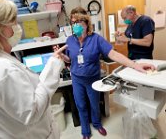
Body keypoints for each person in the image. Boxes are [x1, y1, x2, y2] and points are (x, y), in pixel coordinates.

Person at [0, 0, 67, 139]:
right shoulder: (2, 70)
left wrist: (52, 63)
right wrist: (54, 68)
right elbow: (32, 112)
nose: (16, 28)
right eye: (11, 23)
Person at [53, 7, 155, 139]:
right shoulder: (70, 40)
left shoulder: (96, 39)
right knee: (81, 105)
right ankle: (85, 131)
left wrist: (135, 65)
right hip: (77, 79)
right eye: (73, 23)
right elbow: (69, 59)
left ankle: (97, 124)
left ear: (86, 23)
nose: (75, 26)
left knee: (94, 104)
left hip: (93, 79)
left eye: (79, 22)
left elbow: (113, 54)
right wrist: (62, 56)